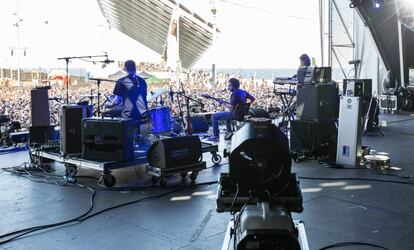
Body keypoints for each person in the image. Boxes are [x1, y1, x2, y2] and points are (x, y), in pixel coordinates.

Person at [106, 60, 148, 124]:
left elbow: (117, 101)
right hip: (144, 114)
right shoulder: (143, 81)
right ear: (135, 68)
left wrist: (110, 105)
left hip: (130, 116)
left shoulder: (121, 81)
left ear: (125, 69)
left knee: (111, 113)